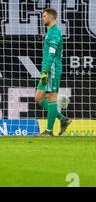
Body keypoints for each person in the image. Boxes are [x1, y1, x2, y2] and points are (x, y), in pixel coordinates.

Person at [35, 8, 71, 137]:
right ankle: (62, 119)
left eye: (44, 16)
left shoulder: (55, 32)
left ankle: (49, 131)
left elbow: (51, 52)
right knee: (38, 98)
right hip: (46, 70)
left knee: (51, 97)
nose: (42, 18)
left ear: (51, 17)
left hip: (52, 69)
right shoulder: (50, 32)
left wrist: (47, 68)